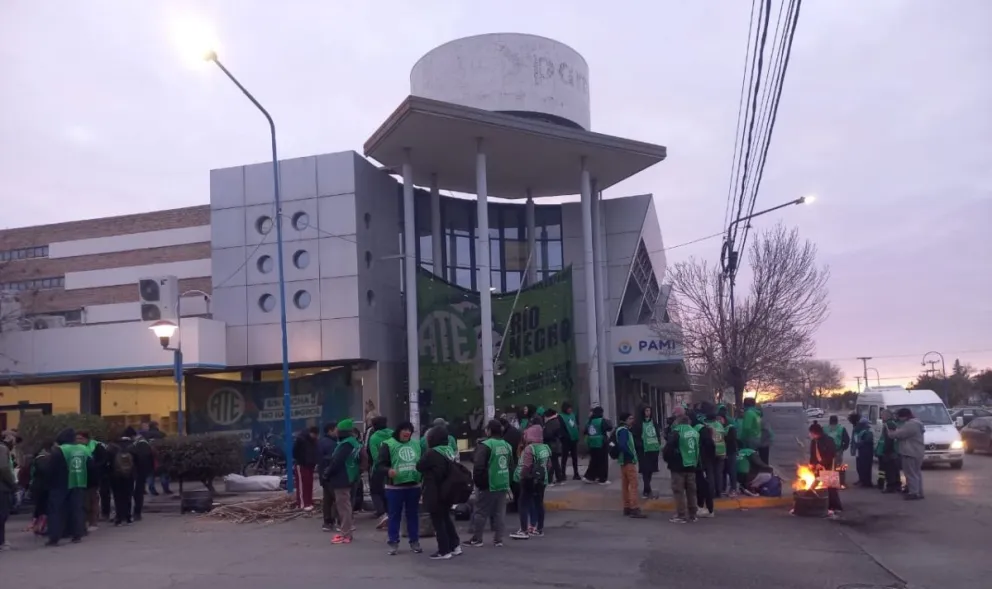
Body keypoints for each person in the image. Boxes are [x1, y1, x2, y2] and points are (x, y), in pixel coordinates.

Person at [376, 421, 423, 555]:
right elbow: (379, 465)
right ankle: (393, 542)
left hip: (414, 485)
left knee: (413, 515)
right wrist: (388, 470)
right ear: (399, 431)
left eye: (410, 430)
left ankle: (414, 541)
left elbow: (422, 461)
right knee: (394, 516)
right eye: (405, 430)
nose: (407, 432)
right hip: (394, 487)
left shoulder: (415, 444)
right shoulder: (388, 444)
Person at [417, 424, 462, 559]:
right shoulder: (448, 450)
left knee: (438, 520)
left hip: (435, 490)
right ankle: (455, 546)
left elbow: (419, 466)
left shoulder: (432, 453)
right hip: (448, 489)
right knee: (446, 518)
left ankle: (444, 550)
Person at [467, 419, 512, 547]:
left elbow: (479, 466)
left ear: (489, 431)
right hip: (502, 482)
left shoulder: (486, 445)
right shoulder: (506, 445)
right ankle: (498, 539)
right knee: (499, 512)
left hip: (489, 483)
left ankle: (477, 538)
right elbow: (510, 464)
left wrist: (479, 482)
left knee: (481, 511)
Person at [511, 421, 553, 539]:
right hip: (541, 480)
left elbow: (526, 467)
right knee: (539, 503)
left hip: (529, 480)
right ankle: (539, 529)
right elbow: (549, 465)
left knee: (523, 503)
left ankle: (524, 530)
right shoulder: (545, 447)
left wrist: (522, 477)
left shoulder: (530, 449)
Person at [47, 428, 88, 545]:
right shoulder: (82, 449)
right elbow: (91, 465)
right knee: (77, 509)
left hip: (60, 484)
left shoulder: (59, 450)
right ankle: (77, 534)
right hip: (79, 481)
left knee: (56, 510)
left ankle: (54, 537)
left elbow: (51, 469)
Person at [325, 419, 361, 544]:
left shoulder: (346, 444)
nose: (336, 432)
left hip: (342, 478)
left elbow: (337, 462)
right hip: (350, 476)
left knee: (343, 506)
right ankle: (347, 531)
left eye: (338, 430)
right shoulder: (354, 442)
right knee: (346, 505)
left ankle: (346, 534)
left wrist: (327, 473)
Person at [664, 415, 699, 523]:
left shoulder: (677, 431)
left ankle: (681, 515)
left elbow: (668, 448)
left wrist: (668, 460)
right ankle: (693, 514)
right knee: (691, 491)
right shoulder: (694, 432)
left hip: (678, 465)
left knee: (678, 491)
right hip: (692, 465)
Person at [615, 412, 647, 519]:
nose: (632, 420)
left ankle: (627, 506)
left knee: (625, 485)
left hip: (622, 461)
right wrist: (631, 454)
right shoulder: (624, 431)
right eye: (630, 418)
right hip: (629, 461)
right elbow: (623, 445)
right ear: (625, 420)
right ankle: (634, 508)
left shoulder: (619, 430)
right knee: (633, 485)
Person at [106, 427, 139, 526]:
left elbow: (107, 462)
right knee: (128, 495)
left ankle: (119, 518)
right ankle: (128, 517)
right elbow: (137, 461)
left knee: (117, 497)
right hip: (129, 475)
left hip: (115, 475)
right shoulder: (133, 446)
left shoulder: (112, 447)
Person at [889, 408, 925, 500]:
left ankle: (913, 492)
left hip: (910, 452)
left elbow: (898, 434)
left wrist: (891, 433)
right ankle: (919, 492)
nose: (898, 418)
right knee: (916, 473)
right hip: (917, 451)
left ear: (904, 416)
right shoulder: (917, 423)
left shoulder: (911, 425)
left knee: (910, 473)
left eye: (899, 416)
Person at [808, 422, 842, 515]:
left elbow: (831, 454)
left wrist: (822, 463)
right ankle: (818, 504)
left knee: (831, 488)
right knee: (815, 485)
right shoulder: (813, 442)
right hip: (818, 468)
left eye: (810, 433)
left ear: (815, 432)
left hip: (828, 466)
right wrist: (812, 464)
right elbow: (813, 455)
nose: (809, 435)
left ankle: (835, 507)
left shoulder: (828, 440)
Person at [365, 417, 392, 528]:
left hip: (378, 468)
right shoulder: (393, 433)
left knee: (375, 491)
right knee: (389, 489)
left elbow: (375, 456)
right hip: (392, 467)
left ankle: (381, 512)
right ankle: (389, 511)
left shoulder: (374, 437)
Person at [631, 405, 661, 499]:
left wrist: (658, 443)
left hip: (653, 449)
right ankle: (647, 489)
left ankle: (647, 489)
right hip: (643, 450)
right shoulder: (637, 424)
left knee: (651, 470)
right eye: (646, 410)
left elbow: (657, 433)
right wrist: (640, 445)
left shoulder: (654, 422)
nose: (648, 412)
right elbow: (634, 437)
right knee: (645, 469)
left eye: (649, 410)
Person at [77, 431, 104, 532]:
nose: (78, 441)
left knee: (92, 500)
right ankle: (85, 521)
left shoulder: (96, 447)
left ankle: (93, 521)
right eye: (77, 439)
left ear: (87, 439)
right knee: (84, 501)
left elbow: (102, 461)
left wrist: (94, 468)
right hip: (80, 478)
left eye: (80, 439)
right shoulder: (76, 449)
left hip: (92, 478)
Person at [317, 421, 339, 532]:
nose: (337, 431)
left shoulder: (323, 442)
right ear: (330, 430)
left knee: (328, 499)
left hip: (324, 475)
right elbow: (332, 460)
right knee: (337, 498)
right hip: (330, 475)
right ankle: (339, 522)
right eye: (336, 429)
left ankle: (327, 522)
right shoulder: (330, 444)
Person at [29, 441, 53, 535]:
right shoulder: (44, 459)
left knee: (39, 507)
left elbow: (33, 473)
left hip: (37, 485)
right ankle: (41, 527)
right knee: (44, 507)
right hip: (44, 486)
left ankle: (37, 526)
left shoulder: (37, 459)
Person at [292, 426, 319, 512]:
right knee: (301, 485)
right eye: (315, 435)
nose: (316, 437)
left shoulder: (314, 441)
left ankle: (309, 502)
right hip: (301, 464)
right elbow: (295, 452)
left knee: (309, 484)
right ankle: (302, 504)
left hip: (310, 465)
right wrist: (301, 460)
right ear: (311, 433)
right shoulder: (301, 439)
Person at [583, 406, 611, 485]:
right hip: (601, 443)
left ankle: (590, 477)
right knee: (603, 462)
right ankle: (602, 479)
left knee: (594, 461)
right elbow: (609, 427)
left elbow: (585, 431)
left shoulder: (590, 421)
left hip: (592, 443)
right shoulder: (602, 421)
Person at [141, 422, 171, 496]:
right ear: (156, 426)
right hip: (160, 457)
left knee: (150, 475)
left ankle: (152, 490)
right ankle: (166, 489)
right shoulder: (162, 434)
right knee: (163, 474)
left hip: (148, 457)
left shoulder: (145, 435)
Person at [129, 431, 154, 521]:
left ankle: (136, 513)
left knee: (137, 493)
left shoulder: (141, 445)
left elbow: (142, 459)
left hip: (138, 473)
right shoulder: (143, 444)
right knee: (137, 492)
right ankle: (136, 513)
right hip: (141, 472)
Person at [703, 410, 728, 500]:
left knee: (710, 474)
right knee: (719, 474)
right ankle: (719, 492)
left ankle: (711, 493)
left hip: (710, 452)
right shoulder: (720, 425)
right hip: (721, 451)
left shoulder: (706, 426)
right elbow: (724, 435)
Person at [875, 409, 901, 492]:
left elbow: (890, 438)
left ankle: (891, 486)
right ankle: (896, 485)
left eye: (882, 415)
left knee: (890, 470)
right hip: (891, 451)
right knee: (894, 469)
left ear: (887, 416)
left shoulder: (889, 424)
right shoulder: (890, 423)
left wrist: (886, 451)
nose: (881, 417)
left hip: (890, 451)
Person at [823, 416, 851, 488]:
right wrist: (843, 448)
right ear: (837, 421)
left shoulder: (825, 428)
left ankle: (829, 484)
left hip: (827, 452)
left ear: (829, 421)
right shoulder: (841, 429)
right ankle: (841, 483)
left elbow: (820, 439)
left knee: (828, 466)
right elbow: (847, 440)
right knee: (838, 467)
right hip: (837, 450)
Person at [0, 431, 17, 551]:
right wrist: (12, 483)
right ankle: (1, 541)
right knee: (2, 514)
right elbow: (4, 468)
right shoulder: (2, 449)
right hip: (2, 487)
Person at [541, 409, 566, 485]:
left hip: (551, 445)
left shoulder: (550, 423)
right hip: (556, 445)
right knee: (555, 462)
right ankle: (559, 478)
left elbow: (548, 434)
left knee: (551, 463)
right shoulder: (556, 421)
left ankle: (550, 480)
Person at [718, 406, 739, 497]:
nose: (718, 421)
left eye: (719, 419)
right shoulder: (722, 427)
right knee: (724, 471)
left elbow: (732, 439)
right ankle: (724, 488)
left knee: (731, 471)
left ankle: (732, 488)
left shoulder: (729, 427)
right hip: (724, 452)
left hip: (730, 451)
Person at [851, 417, 875, 488]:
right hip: (860, 451)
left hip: (866, 451)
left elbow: (868, 440)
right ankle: (862, 480)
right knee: (859, 467)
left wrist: (859, 444)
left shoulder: (868, 430)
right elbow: (854, 439)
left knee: (866, 467)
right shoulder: (858, 430)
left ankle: (867, 482)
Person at [559, 402, 581, 480]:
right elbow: (561, 429)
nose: (570, 409)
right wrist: (564, 437)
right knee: (564, 457)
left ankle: (576, 473)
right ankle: (563, 473)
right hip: (566, 440)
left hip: (574, 439)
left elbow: (575, 425)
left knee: (574, 457)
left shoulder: (572, 415)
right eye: (569, 408)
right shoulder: (561, 417)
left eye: (571, 408)